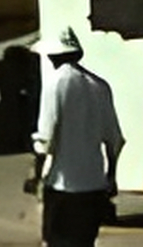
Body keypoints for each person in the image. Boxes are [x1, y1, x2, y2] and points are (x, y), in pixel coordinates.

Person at [31, 27, 125, 247]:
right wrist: (111, 176)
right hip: (93, 184)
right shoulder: (100, 86)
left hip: (63, 186)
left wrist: (35, 175)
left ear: (53, 55)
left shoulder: (55, 84)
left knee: (56, 242)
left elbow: (45, 139)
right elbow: (115, 140)